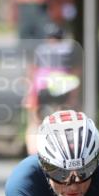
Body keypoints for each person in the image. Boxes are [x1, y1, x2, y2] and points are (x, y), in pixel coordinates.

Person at [25, 23, 81, 155]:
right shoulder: (69, 50)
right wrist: (74, 97)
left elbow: (32, 71)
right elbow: (75, 73)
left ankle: (33, 152)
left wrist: (30, 94)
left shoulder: (40, 49)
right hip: (62, 89)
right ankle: (65, 151)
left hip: (42, 88)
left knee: (34, 120)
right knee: (64, 119)